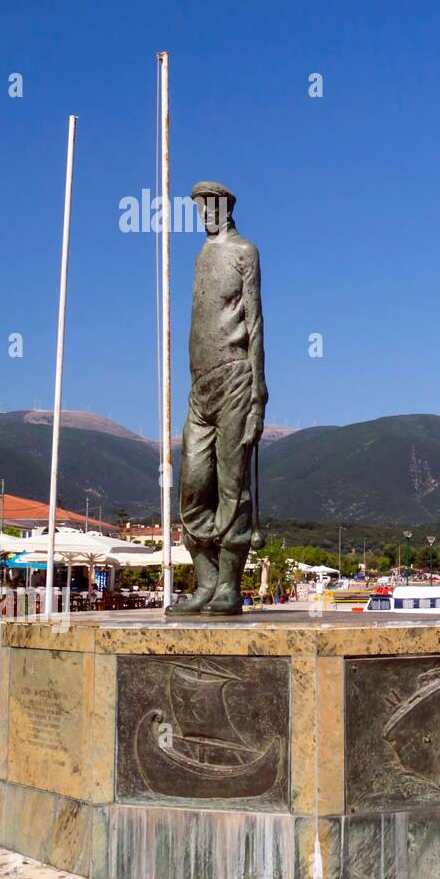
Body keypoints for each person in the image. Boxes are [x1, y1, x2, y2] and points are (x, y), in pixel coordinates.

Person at [167, 181, 267, 616]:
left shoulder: (245, 252)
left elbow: (256, 322)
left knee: (232, 485)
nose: (205, 213)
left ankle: (228, 585)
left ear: (227, 208)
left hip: (235, 377)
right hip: (199, 385)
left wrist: (259, 397)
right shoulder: (202, 256)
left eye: (212, 205)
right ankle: (205, 582)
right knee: (192, 484)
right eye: (199, 207)